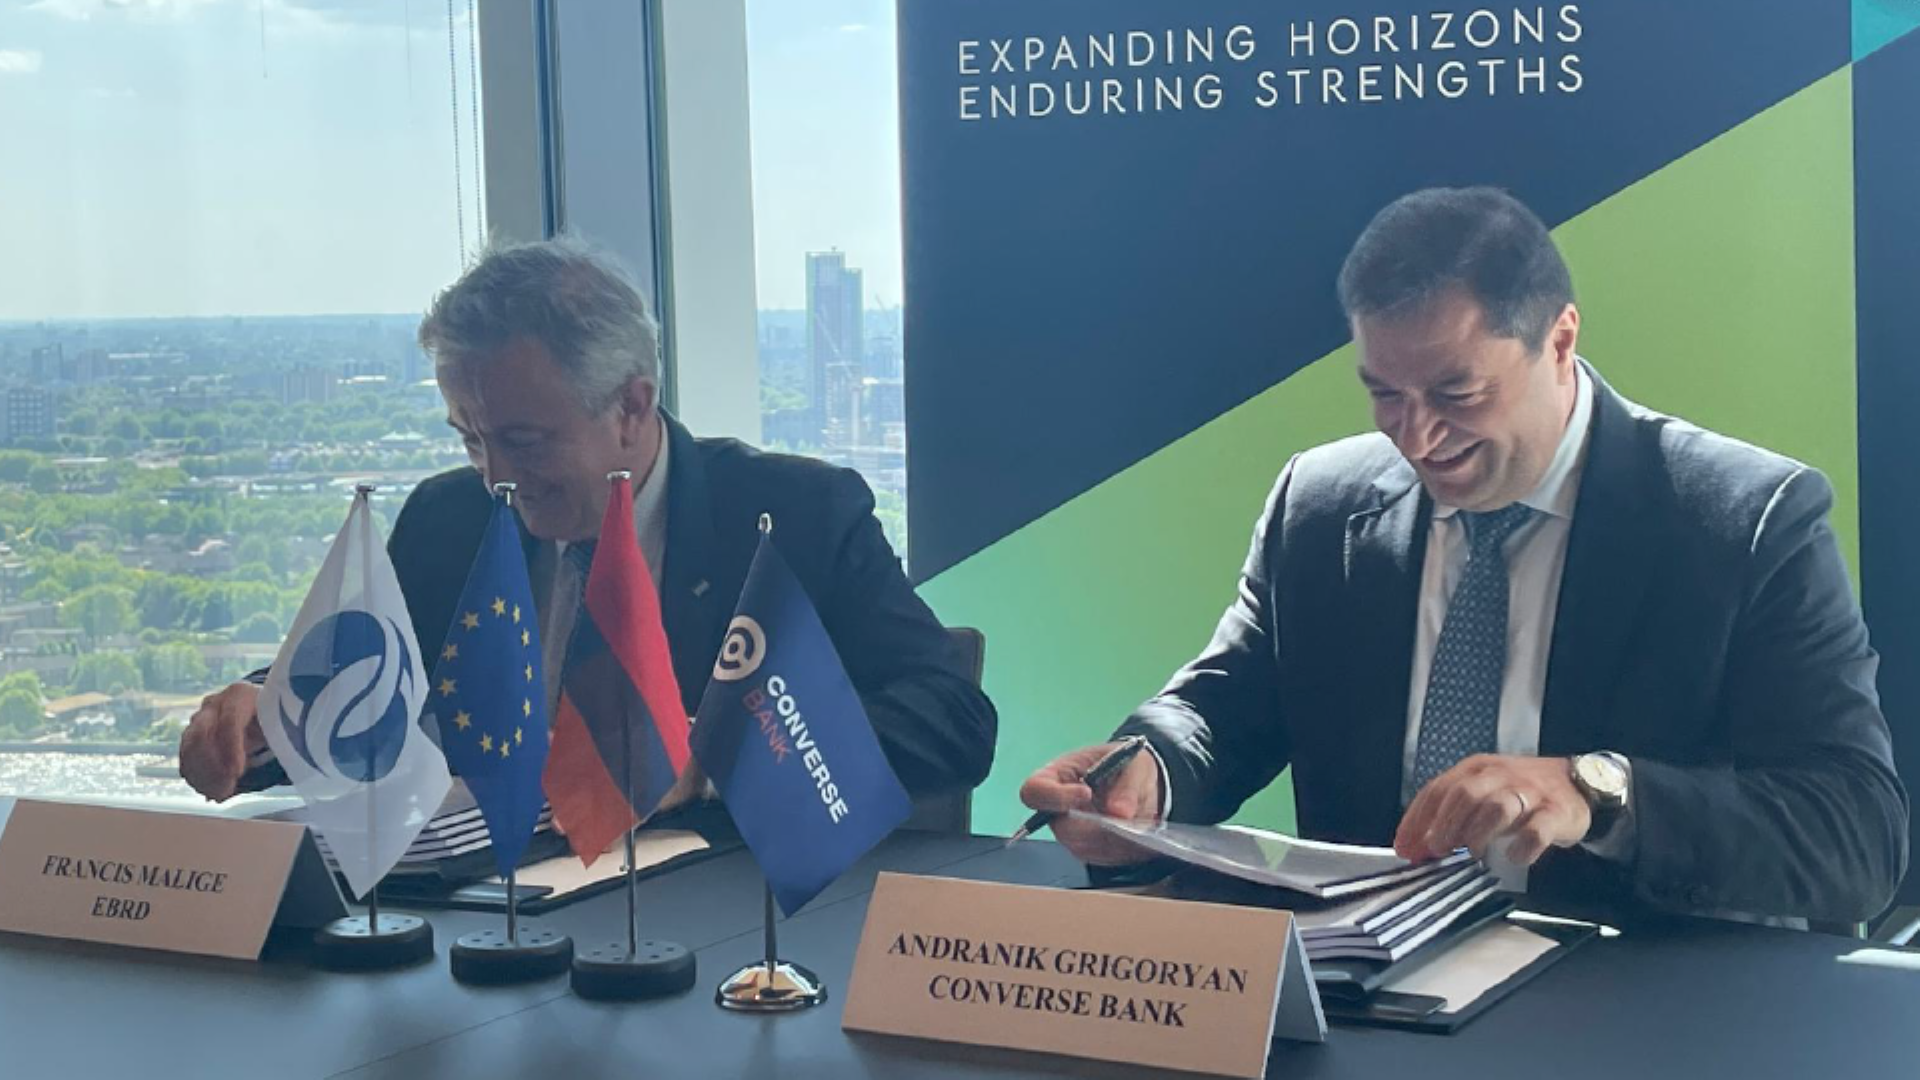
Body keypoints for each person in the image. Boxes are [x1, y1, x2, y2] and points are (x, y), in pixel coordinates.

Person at [1021, 187, 1907, 923]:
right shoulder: (1322, 504)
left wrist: (1600, 794)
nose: (1416, 437)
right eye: (1383, 393)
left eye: (1457, 392)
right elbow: (1225, 707)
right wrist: (1147, 773)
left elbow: (1857, 836)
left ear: (1560, 341)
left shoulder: (1742, 521)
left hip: (1639, 1005)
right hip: (1370, 990)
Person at [180, 237, 996, 812]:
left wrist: (717, 759)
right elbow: (365, 692)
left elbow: (952, 718)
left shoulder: (795, 517)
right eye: (471, 439)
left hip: (722, 925)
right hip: (485, 925)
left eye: (524, 440)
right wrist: (262, 721)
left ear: (631, 406)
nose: (496, 476)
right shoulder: (447, 519)